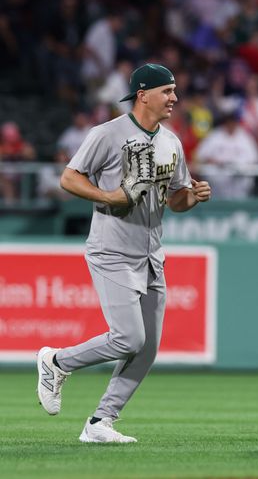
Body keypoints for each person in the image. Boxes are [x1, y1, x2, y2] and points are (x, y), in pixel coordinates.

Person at [35, 63, 212, 443]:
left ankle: (100, 422)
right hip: (112, 249)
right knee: (129, 339)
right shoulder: (108, 133)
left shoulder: (172, 142)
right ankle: (56, 361)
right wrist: (107, 196)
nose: (175, 98)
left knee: (147, 349)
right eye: (167, 91)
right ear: (143, 94)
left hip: (151, 254)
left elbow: (175, 199)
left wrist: (191, 198)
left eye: (175, 90)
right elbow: (69, 177)